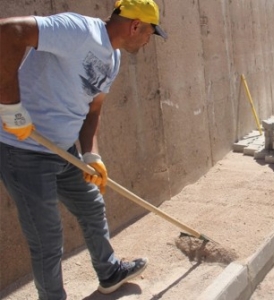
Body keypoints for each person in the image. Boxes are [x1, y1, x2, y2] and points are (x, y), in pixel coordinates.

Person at [0, 0, 167, 299]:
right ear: (135, 25)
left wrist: (92, 154)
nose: (147, 41)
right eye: (150, 34)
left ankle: (109, 272)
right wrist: (10, 106)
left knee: (91, 206)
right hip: (25, 151)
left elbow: (93, 111)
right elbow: (9, 31)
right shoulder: (79, 31)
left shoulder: (113, 59)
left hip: (64, 152)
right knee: (47, 238)